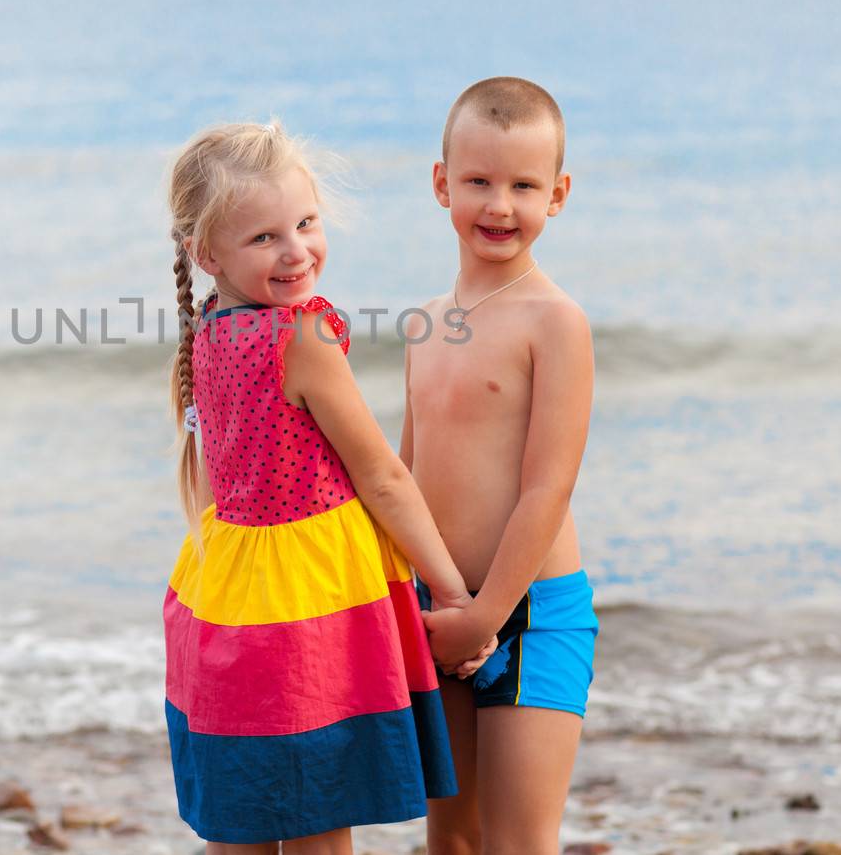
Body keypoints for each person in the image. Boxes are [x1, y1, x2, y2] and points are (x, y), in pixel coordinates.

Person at [162, 121, 494, 854]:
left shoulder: (208, 329)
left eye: (306, 223)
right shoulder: (303, 337)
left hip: (226, 595)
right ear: (206, 251)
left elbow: (224, 478)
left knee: (241, 816)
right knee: (321, 813)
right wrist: (451, 589)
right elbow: (382, 476)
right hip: (310, 604)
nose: (296, 250)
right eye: (265, 238)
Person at [405, 78, 599, 855]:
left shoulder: (556, 322)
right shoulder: (424, 323)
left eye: (523, 185)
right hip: (437, 604)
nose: (499, 204)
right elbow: (404, 471)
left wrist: (486, 618)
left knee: (519, 841)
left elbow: (549, 485)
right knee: (452, 838)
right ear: (442, 183)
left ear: (557, 194)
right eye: (479, 181)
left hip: (532, 612)